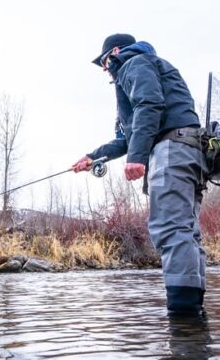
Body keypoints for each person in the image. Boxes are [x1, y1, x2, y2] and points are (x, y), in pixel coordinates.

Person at [72, 33, 209, 315]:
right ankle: (193, 317)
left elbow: (150, 104)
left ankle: (183, 318)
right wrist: (92, 156)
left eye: (104, 60)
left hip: (172, 150)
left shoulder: (133, 63)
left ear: (116, 52)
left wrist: (137, 158)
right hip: (188, 152)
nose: (104, 68)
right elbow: (125, 138)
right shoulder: (145, 66)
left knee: (171, 230)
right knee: (186, 232)